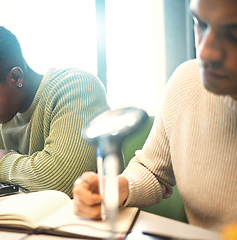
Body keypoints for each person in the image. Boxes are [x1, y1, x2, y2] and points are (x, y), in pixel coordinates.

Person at [73, 0, 237, 232]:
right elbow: (153, 171)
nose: (206, 51)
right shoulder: (186, 81)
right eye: (201, 24)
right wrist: (120, 187)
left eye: (233, 34)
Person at [0, 25, 109, 198]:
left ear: (16, 77)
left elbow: (61, 179)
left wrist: (4, 163)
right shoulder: (6, 114)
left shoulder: (76, 88)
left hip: (92, 219)